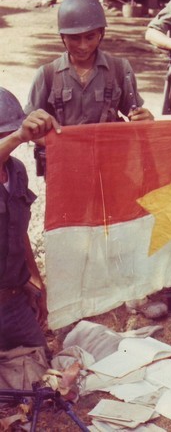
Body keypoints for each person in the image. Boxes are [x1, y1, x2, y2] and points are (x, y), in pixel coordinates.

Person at [24, 0, 166, 321]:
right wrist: (41, 130)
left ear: (101, 33)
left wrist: (145, 119)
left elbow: (135, 113)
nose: (83, 44)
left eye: (91, 36)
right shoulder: (47, 75)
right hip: (67, 172)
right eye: (74, 37)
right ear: (62, 37)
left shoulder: (119, 69)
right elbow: (29, 123)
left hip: (110, 167)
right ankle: (75, 296)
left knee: (118, 227)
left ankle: (131, 291)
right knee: (72, 233)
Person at [0, 88, 60, 352]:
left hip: (12, 303)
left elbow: (19, 231)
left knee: (40, 368)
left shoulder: (16, 171)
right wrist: (18, 135)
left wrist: (35, 282)